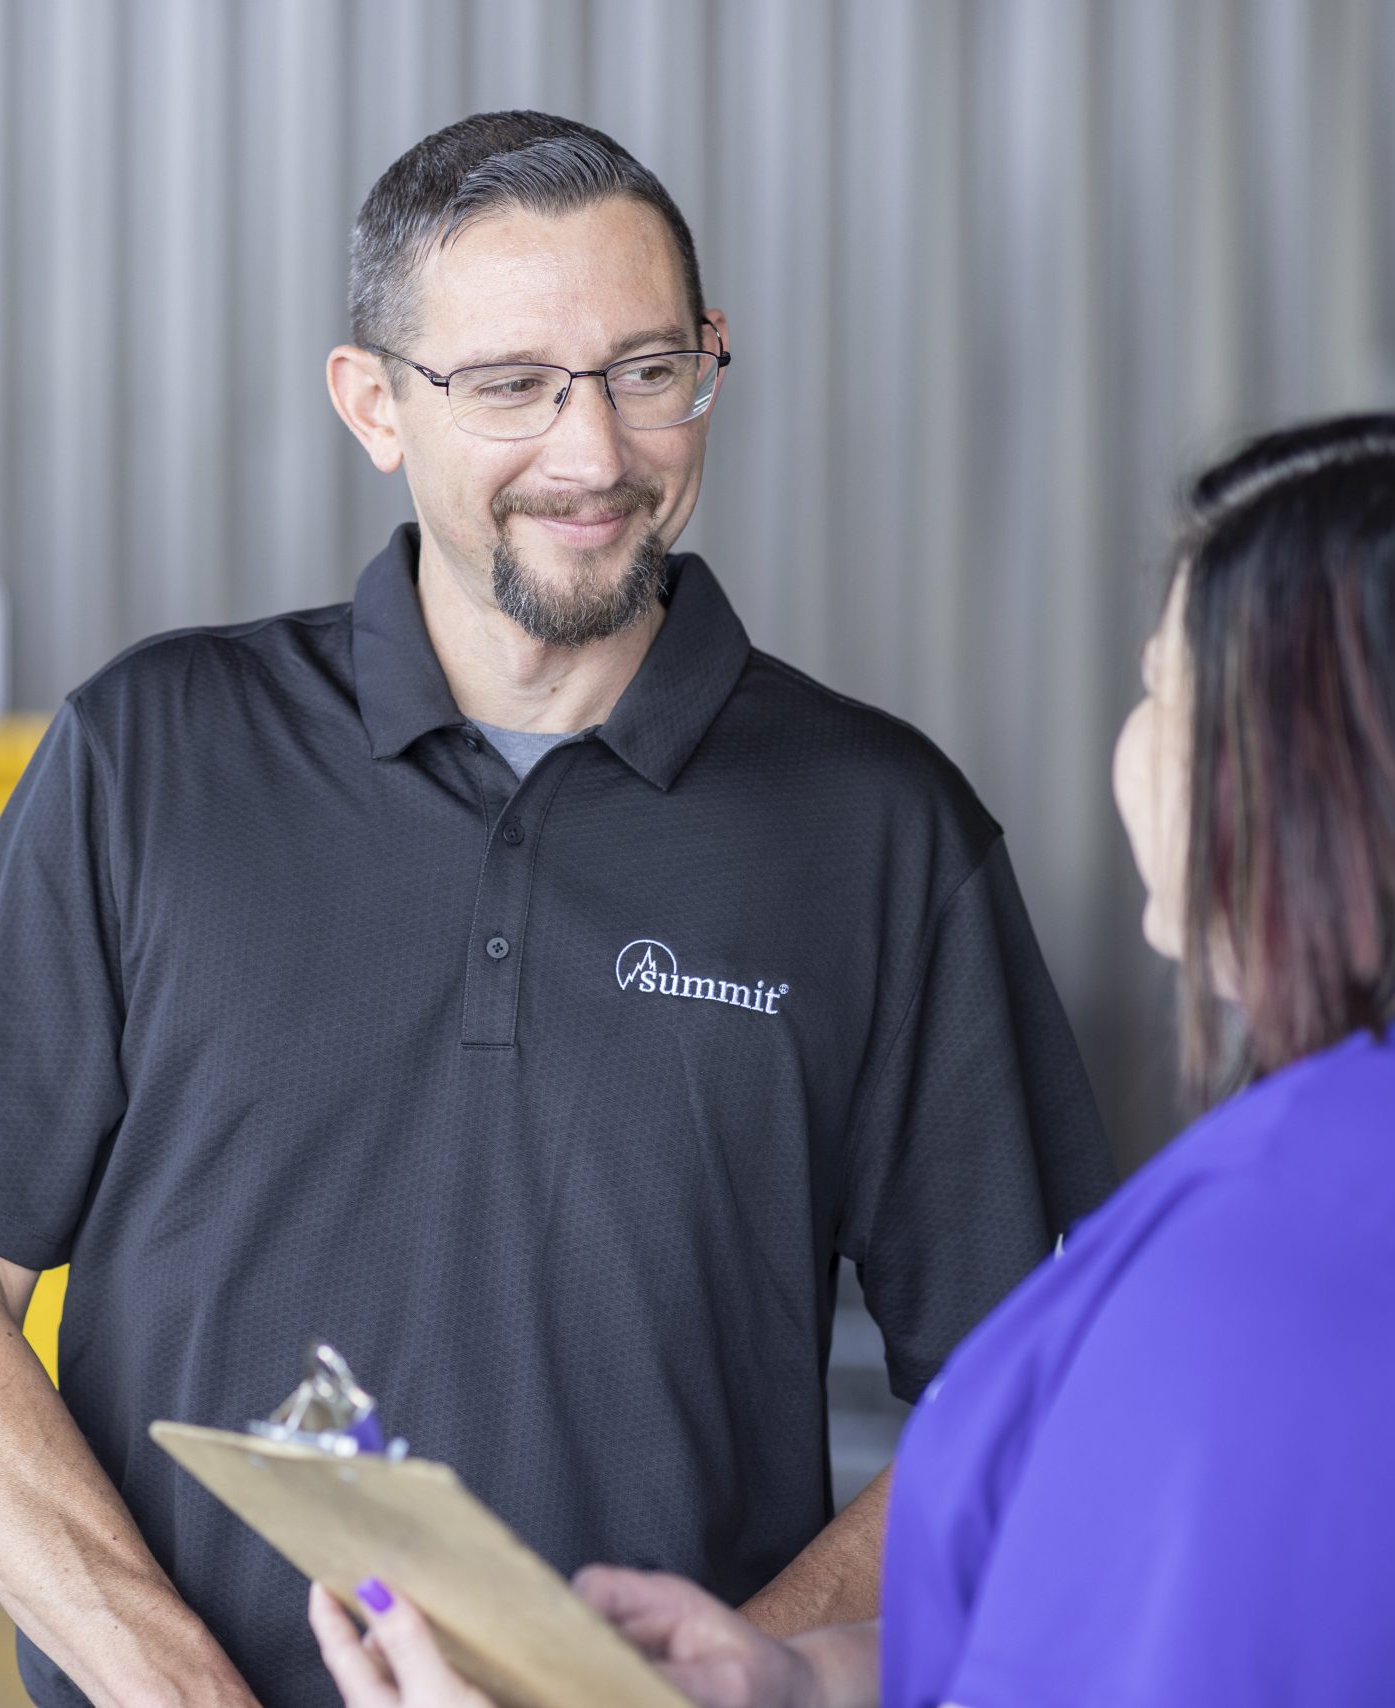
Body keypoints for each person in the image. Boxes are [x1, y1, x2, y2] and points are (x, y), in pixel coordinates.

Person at [0, 111, 1111, 1708]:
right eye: (511, 385)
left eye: (649, 372)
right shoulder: (153, 758)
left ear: (712, 360)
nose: (593, 455)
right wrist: (169, 1682)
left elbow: (1030, 1391)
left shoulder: (877, 829)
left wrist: (723, 1680)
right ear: (373, 402)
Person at [312, 413, 1395, 1708]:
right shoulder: (1288, 1190)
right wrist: (801, 1679)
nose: (588, 448)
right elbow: (1079, 1629)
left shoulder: (1262, 1272)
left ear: (1314, 764)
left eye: (1165, 689)